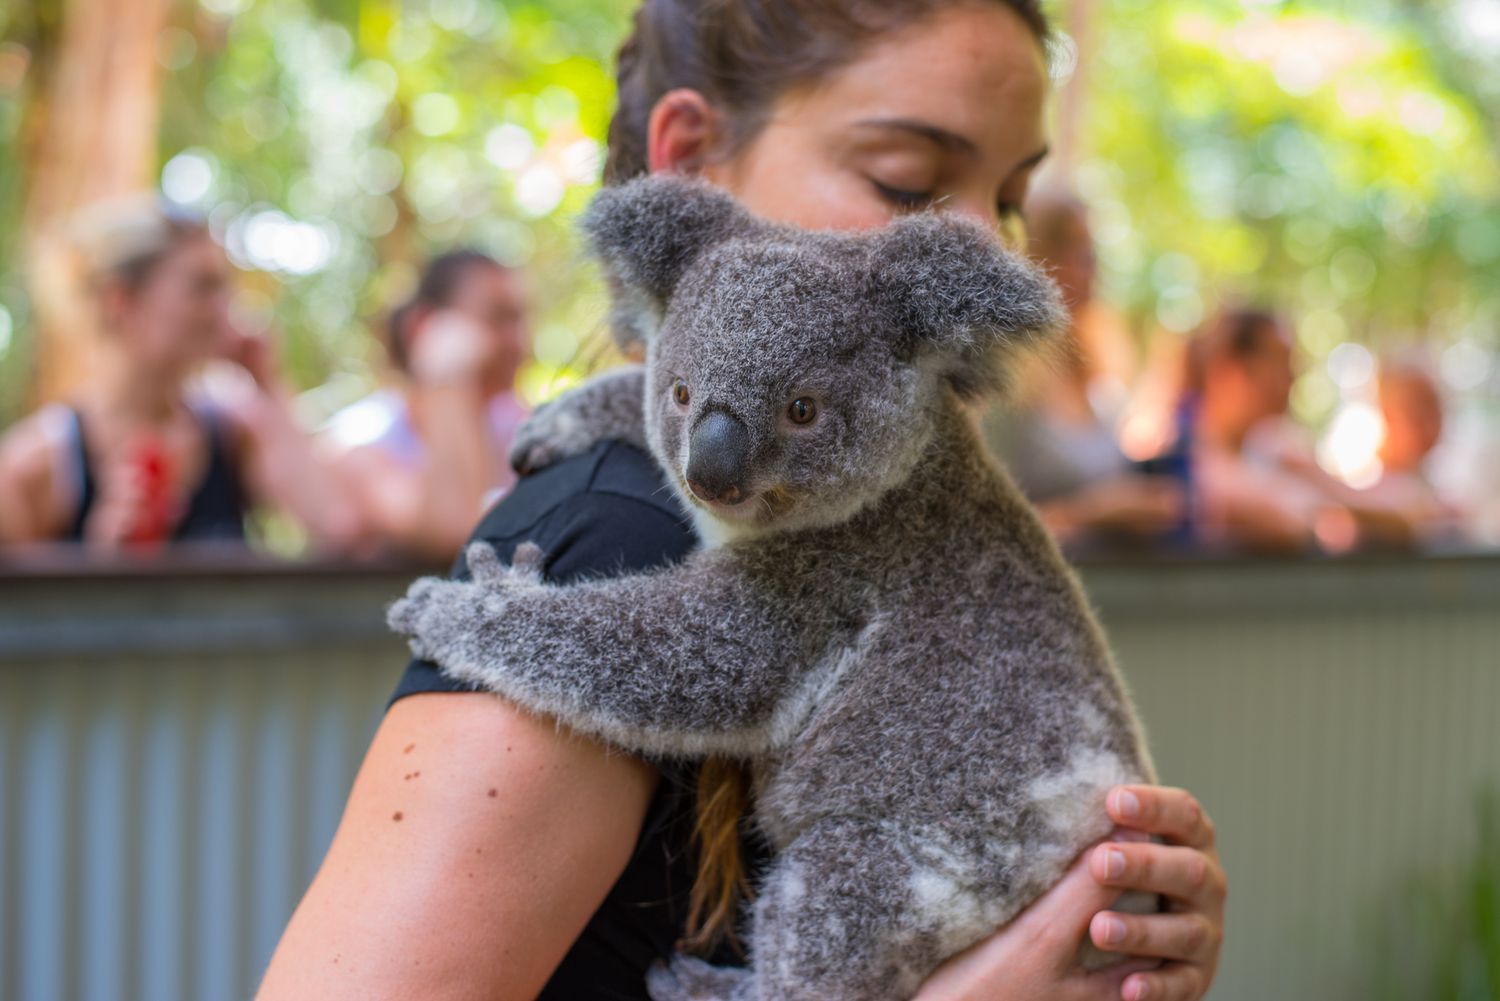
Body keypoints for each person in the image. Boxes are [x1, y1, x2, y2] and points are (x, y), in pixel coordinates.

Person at [259, 4, 1226, 1000]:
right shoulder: (611, 536)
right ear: (688, 163)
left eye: (1012, 199)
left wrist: (1119, 924)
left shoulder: (888, 492)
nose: (978, 240)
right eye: (907, 180)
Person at [0, 197, 357, 551]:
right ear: (120, 301)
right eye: (204, 287)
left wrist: (268, 383)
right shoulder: (31, 468)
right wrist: (98, 561)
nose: (226, 309)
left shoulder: (235, 436)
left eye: (226, 289)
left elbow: (338, 527)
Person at [982, 191, 1183, 546]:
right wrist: (1091, 513)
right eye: (1074, 248)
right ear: (1035, 256)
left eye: (1093, 251)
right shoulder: (1003, 375)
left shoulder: (1095, 371)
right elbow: (982, 526)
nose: (1091, 265)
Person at [322, 251, 532, 563]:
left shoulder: (523, 426)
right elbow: (452, 534)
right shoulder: (361, 442)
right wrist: (447, 378)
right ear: (424, 325)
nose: (520, 342)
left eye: (521, 320)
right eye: (497, 318)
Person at [1185, 307, 1416, 553]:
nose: (1292, 378)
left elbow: (1402, 514)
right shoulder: (1187, 460)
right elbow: (1286, 526)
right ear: (1233, 370)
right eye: (1281, 361)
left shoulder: (1276, 452)